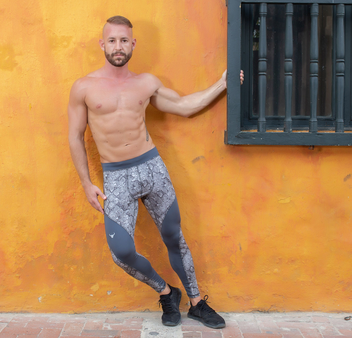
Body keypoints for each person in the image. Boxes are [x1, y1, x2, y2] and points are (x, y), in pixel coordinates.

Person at [68, 15, 243, 329]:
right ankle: (166, 292)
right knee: (121, 252)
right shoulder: (84, 87)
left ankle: (197, 303)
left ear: (133, 44)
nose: (118, 46)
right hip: (116, 177)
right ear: (102, 44)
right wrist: (86, 183)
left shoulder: (146, 83)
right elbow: (74, 136)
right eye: (112, 40)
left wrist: (222, 84)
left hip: (151, 168)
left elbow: (185, 106)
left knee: (174, 237)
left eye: (124, 40)